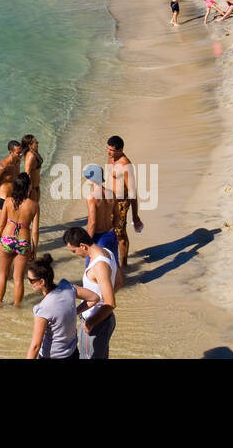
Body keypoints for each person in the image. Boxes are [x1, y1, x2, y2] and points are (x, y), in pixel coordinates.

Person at [64, 227, 117, 359]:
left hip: (96, 323)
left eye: (74, 250)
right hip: (105, 320)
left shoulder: (99, 266)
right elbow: (119, 281)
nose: (75, 254)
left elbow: (110, 303)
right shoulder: (107, 252)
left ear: (83, 246)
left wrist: (91, 322)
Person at [0, 173, 38, 307]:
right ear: (28, 188)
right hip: (23, 242)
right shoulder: (34, 205)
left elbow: (1, 224)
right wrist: (34, 249)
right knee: (18, 279)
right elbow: (35, 230)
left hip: (7, 239)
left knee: (2, 275)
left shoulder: (8, 201)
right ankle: (17, 307)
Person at [26, 254, 79, 359]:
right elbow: (94, 298)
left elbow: (35, 346)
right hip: (72, 352)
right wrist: (74, 312)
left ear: (41, 281)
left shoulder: (43, 308)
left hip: (52, 355)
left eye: (31, 280)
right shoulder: (67, 286)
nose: (28, 282)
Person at [107, 135, 143, 268]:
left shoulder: (126, 165)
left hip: (121, 204)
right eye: (107, 148)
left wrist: (135, 215)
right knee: (109, 232)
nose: (108, 152)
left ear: (120, 150)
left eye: (111, 150)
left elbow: (133, 191)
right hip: (109, 202)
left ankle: (124, 265)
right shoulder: (111, 158)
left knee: (120, 234)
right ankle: (112, 261)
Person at [0, 140, 24, 254]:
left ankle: (10, 245)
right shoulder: (3, 166)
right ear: (10, 152)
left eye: (21, 152)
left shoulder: (18, 161)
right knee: (1, 224)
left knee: (13, 222)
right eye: (18, 152)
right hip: (3, 198)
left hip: (13, 197)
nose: (21, 154)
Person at [21, 134, 42, 252]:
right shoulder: (30, 156)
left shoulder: (34, 154)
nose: (38, 143)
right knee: (34, 220)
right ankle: (33, 249)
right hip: (32, 190)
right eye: (36, 142)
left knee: (33, 219)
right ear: (30, 145)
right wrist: (27, 193)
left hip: (36, 188)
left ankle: (30, 245)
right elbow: (27, 174)